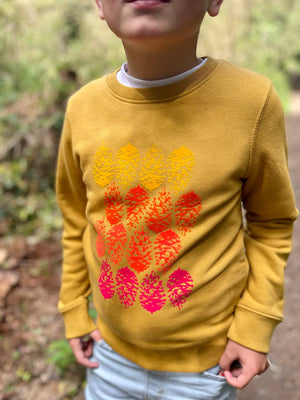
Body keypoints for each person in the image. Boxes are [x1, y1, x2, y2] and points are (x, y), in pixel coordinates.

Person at [56, 1, 298, 399]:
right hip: (109, 358)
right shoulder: (83, 109)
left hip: (207, 368)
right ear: (99, 5)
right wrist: (73, 310)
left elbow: (271, 223)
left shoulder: (251, 102)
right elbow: (76, 219)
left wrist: (255, 326)